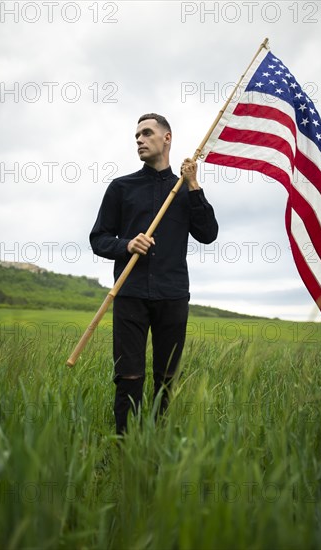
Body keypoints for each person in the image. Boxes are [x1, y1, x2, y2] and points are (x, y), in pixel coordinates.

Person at [90, 113, 218, 435]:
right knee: (129, 375)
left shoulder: (185, 191)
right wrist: (127, 244)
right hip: (129, 293)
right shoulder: (121, 188)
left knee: (166, 378)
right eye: (136, 136)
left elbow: (208, 233)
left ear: (167, 138)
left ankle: (157, 445)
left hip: (173, 295)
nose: (139, 140)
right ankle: (124, 446)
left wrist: (193, 185)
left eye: (147, 133)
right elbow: (98, 238)